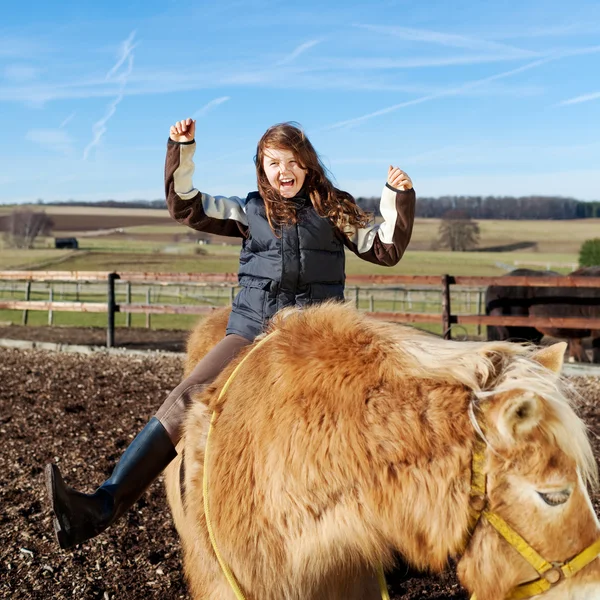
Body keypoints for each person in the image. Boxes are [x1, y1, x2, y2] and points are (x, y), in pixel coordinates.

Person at [45, 118, 416, 550]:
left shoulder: (335, 211)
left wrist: (398, 197)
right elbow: (186, 205)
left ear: (308, 164)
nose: (283, 172)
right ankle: (101, 507)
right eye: (273, 162)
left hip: (315, 339)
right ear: (262, 167)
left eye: (292, 162)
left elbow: (384, 249)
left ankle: (395, 530)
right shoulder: (249, 210)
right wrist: (180, 150)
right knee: (186, 397)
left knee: (373, 407)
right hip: (250, 330)